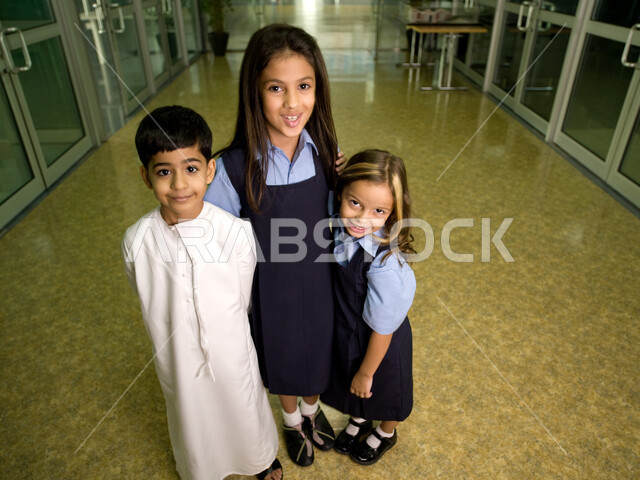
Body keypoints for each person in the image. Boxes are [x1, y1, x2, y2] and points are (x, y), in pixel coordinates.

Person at [122, 105, 282, 480]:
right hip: (176, 354)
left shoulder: (235, 232)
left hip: (231, 348)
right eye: (164, 172)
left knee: (241, 402)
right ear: (146, 177)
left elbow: (242, 298)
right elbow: (145, 293)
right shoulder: (137, 240)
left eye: (191, 169)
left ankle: (258, 460)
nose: (179, 185)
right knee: (191, 414)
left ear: (209, 170)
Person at [204, 24, 338, 467]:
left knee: (318, 349)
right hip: (270, 291)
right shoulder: (232, 168)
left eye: (304, 86)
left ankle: (313, 412)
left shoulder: (324, 150)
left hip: (320, 282)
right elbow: (213, 241)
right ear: (254, 92)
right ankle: (290, 420)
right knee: (280, 357)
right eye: (276, 89)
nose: (293, 103)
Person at [321, 149, 417, 465]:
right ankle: (360, 419)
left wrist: (366, 371)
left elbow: (383, 328)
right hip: (353, 331)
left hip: (382, 343)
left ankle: (386, 432)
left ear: (392, 214)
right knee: (357, 389)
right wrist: (332, 172)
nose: (362, 218)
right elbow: (335, 190)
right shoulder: (341, 223)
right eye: (355, 203)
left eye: (378, 210)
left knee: (385, 391)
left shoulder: (386, 264)